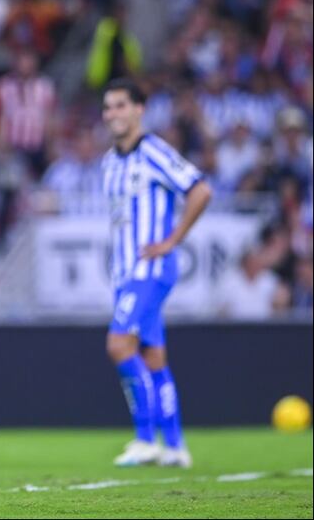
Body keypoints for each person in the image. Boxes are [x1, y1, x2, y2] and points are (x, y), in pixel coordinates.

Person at [100, 79, 213, 469]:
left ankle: (146, 438)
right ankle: (176, 446)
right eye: (108, 107)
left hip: (149, 268)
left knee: (118, 345)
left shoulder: (153, 151)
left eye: (120, 106)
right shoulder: (109, 162)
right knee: (153, 356)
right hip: (125, 273)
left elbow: (200, 190)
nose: (112, 114)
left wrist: (172, 240)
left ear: (139, 109)